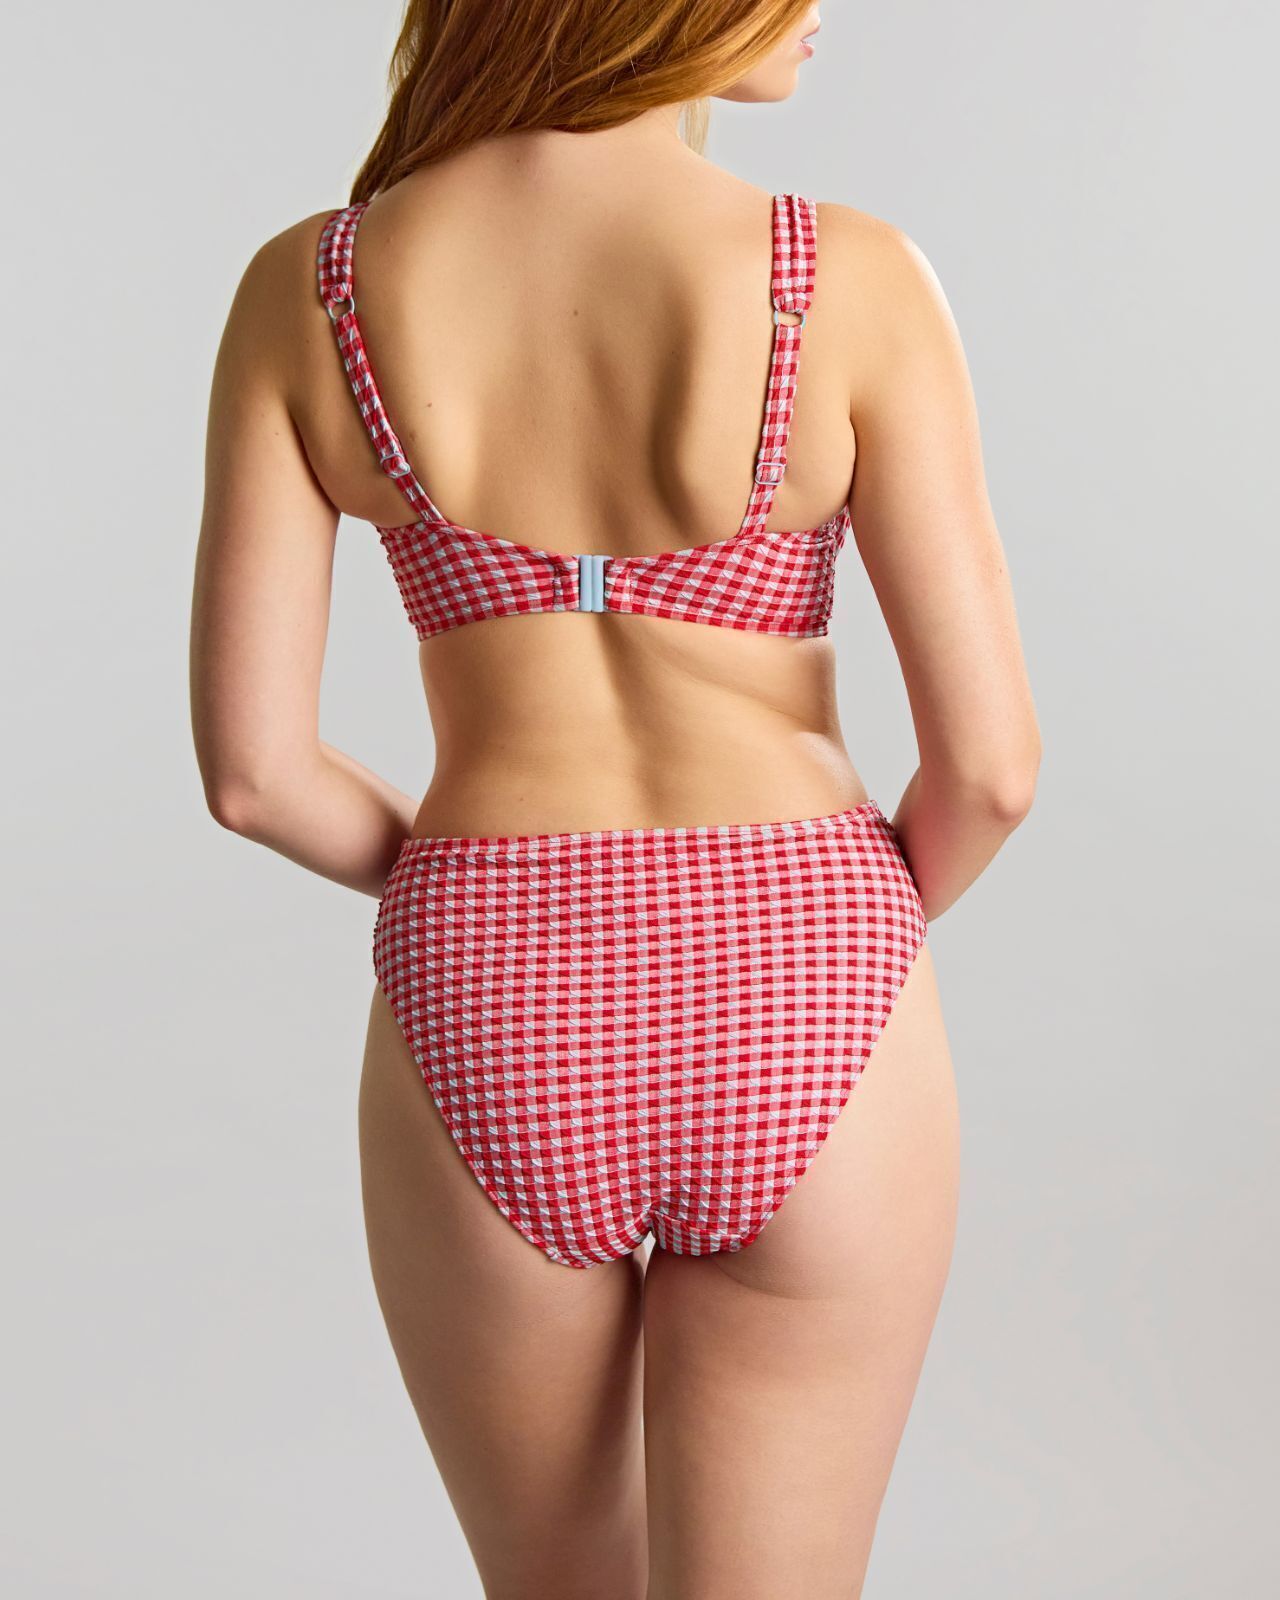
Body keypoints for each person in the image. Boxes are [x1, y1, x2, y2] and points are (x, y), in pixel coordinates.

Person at [189, 2, 1040, 1594]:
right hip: (805, 971)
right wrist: (833, 937)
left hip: (488, 983)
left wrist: (479, 889)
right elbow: (991, 768)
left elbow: (253, 773)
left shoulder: (313, 290)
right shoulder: (846, 275)